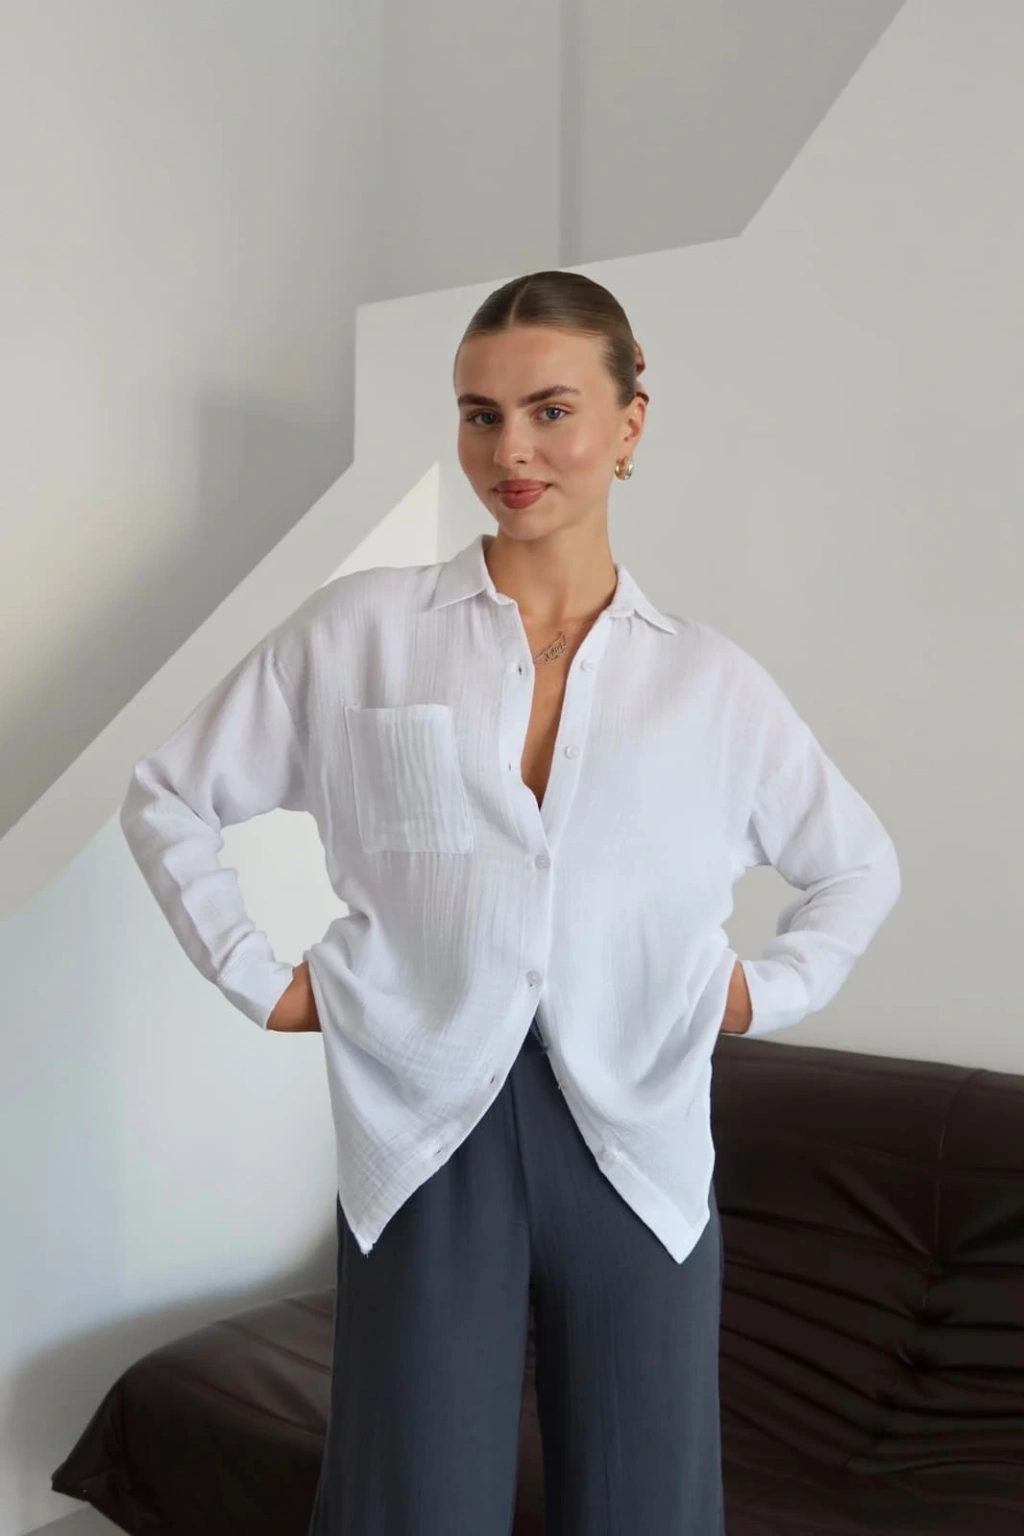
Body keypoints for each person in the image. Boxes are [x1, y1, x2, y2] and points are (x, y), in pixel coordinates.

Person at [119, 269, 901, 1535]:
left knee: (648, 1507)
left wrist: (757, 993)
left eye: (550, 411)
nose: (510, 451)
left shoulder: (711, 686)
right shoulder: (360, 632)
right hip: (425, 1127)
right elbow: (168, 794)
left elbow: (857, 864)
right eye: (480, 415)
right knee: (409, 1506)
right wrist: (260, 978)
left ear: (630, 423)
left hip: (638, 1137)